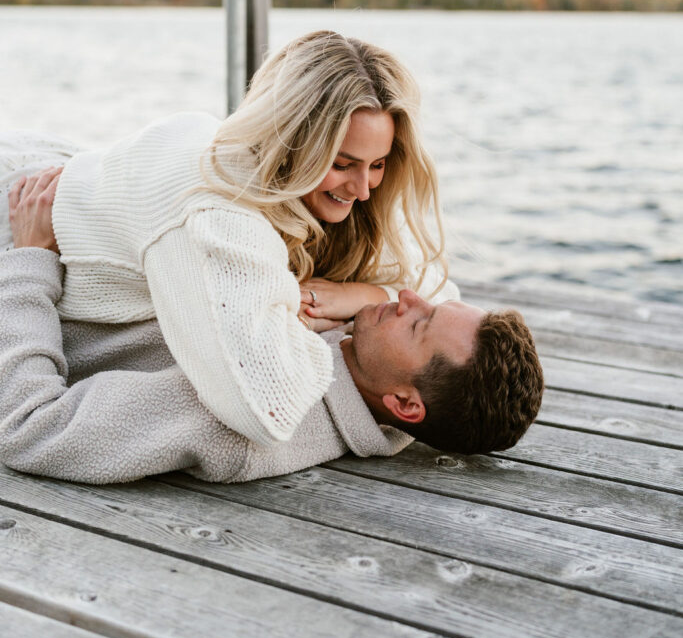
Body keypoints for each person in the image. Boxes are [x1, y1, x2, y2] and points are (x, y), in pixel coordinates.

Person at [1, 31, 455, 449]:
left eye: (377, 165)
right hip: (18, 207)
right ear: (290, 141)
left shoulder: (323, 201)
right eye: (341, 163)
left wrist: (351, 295)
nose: (362, 189)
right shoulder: (214, 208)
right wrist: (30, 260)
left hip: (66, 165)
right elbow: (268, 409)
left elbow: (442, 291)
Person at [0, 173, 544, 484]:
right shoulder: (371, 361)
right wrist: (367, 294)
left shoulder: (250, 421)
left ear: (405, 404)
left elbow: (31, 428)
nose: (407, 298)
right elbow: (434, 289)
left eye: (419, 321)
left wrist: (29, 260)